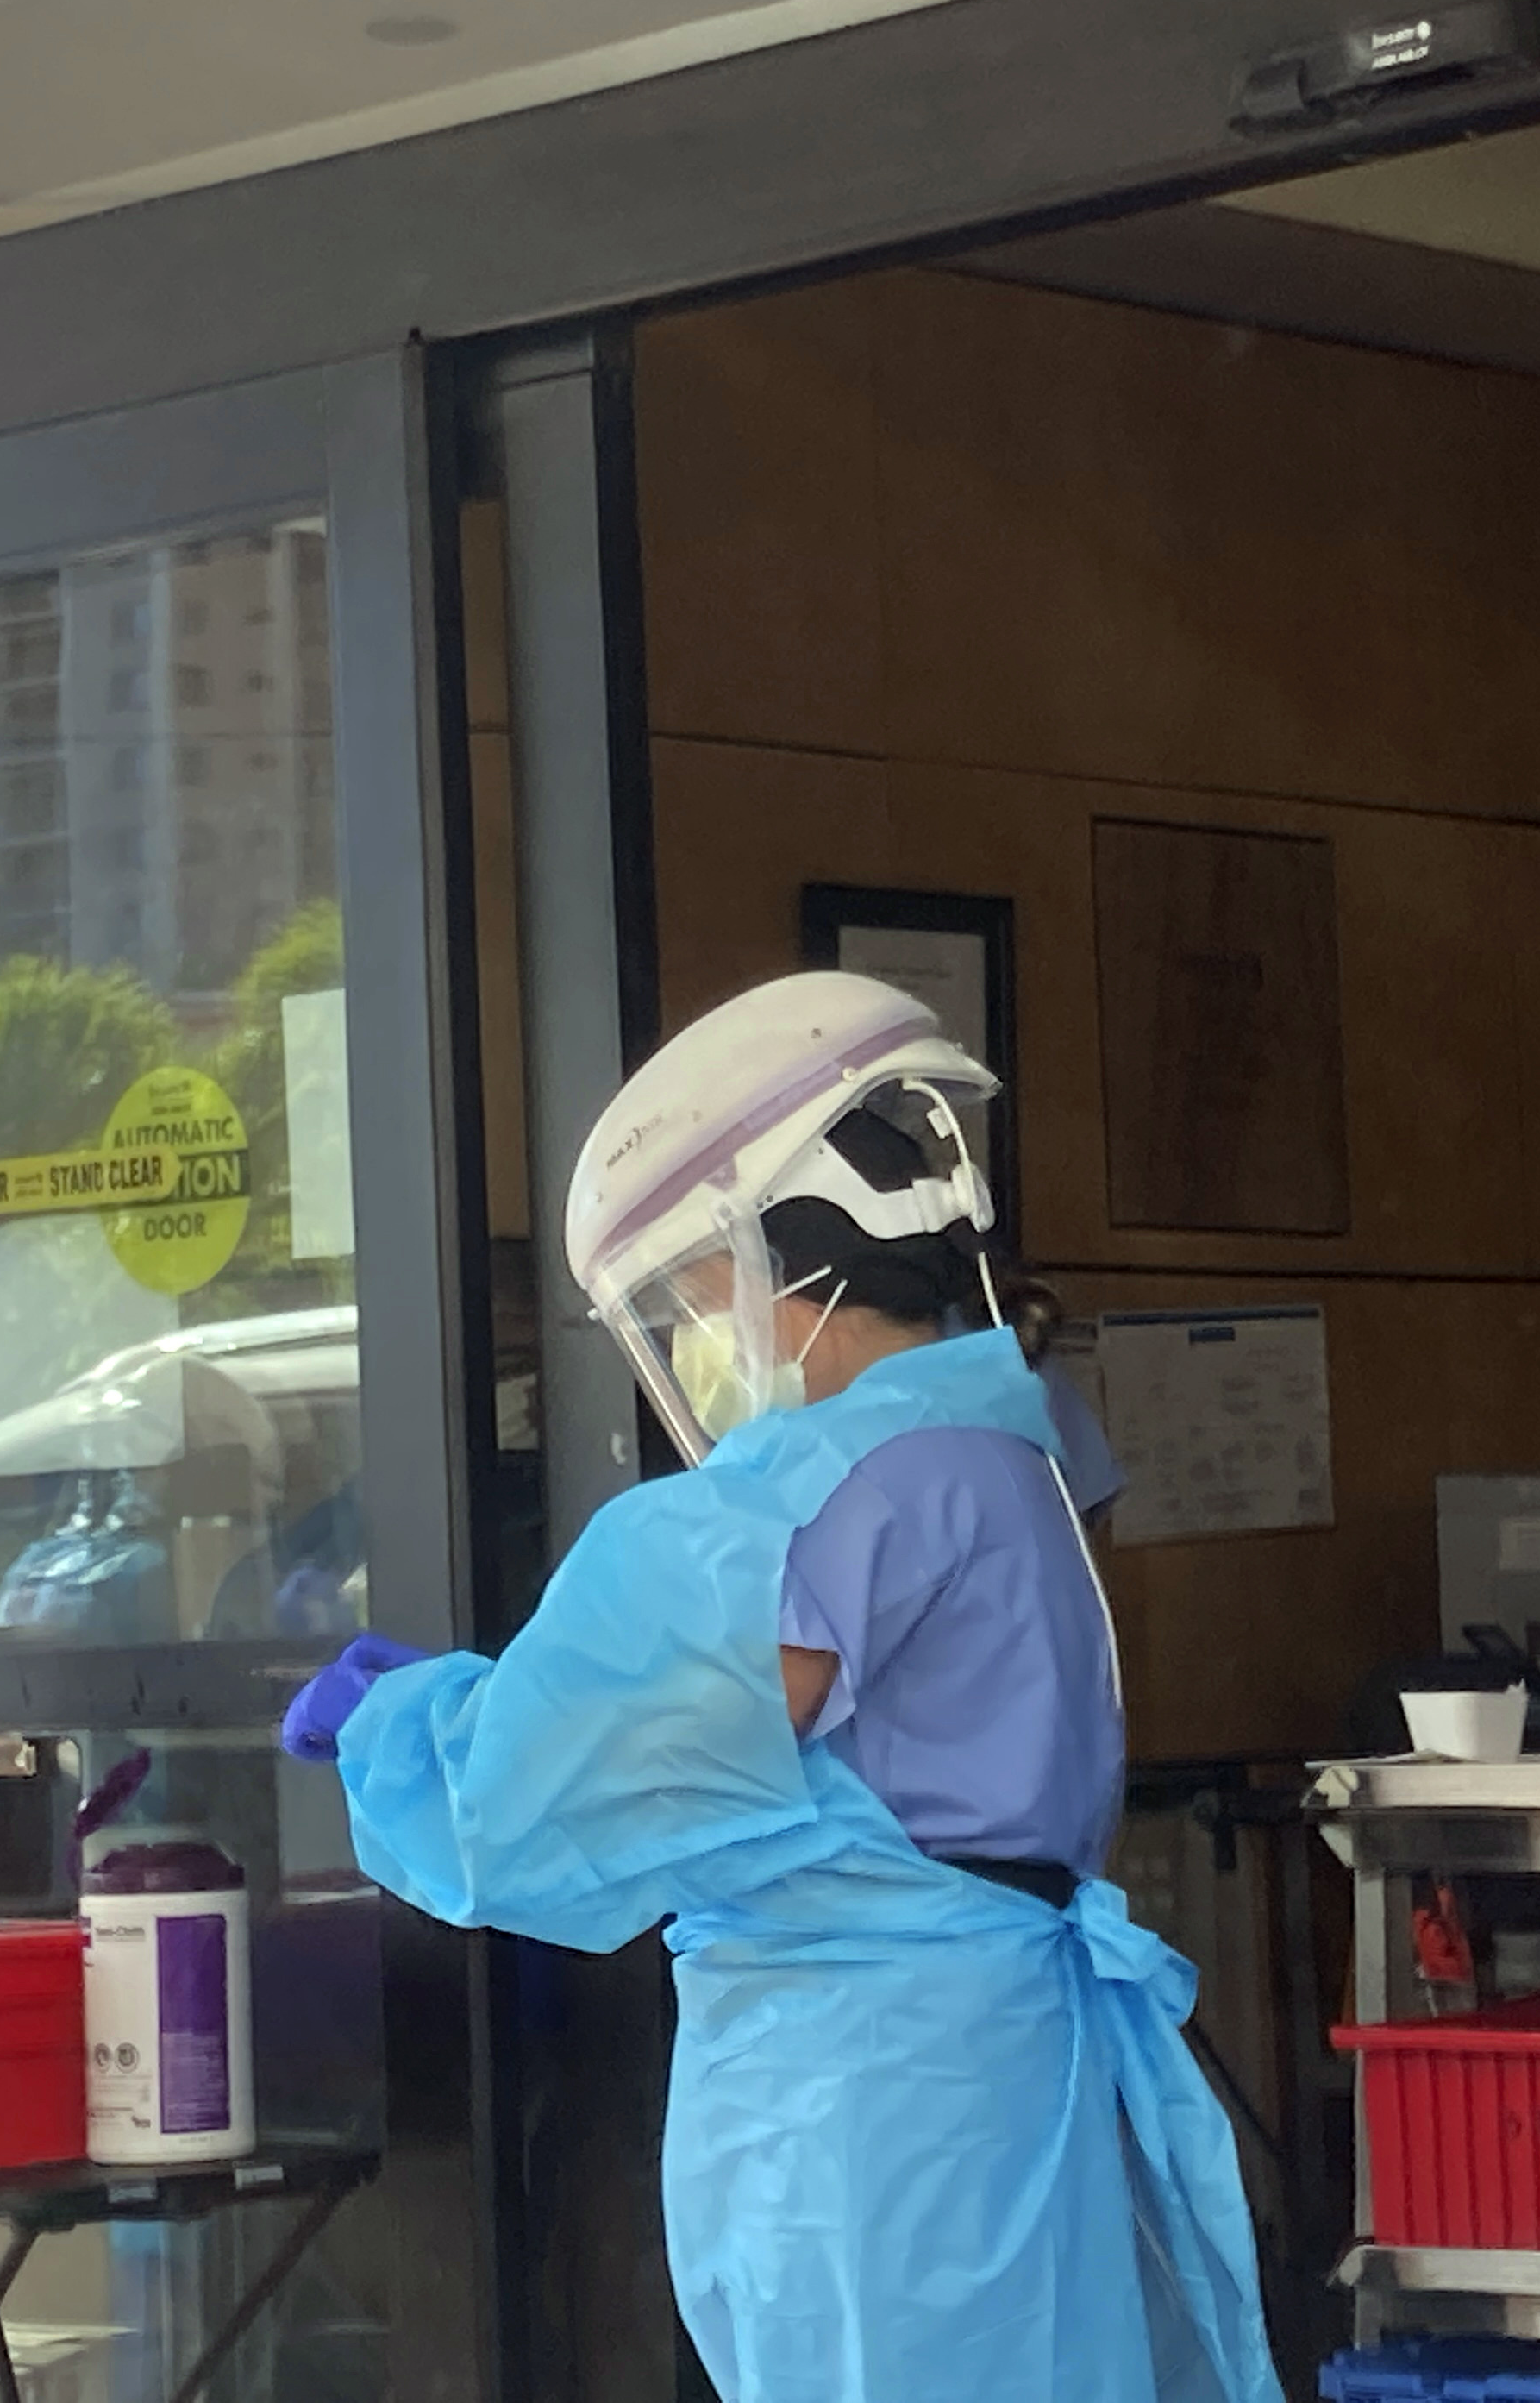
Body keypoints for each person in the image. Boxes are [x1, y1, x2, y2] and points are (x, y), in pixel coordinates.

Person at [279, 972, 1278, 2403]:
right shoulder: (1016, 1443)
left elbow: (559, 1784)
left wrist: (401, 1726)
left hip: (871, 2114)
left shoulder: (819, 1496)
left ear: (791, 1263)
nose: (709, 1334)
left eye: (702, 1292)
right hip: (994, 2074)